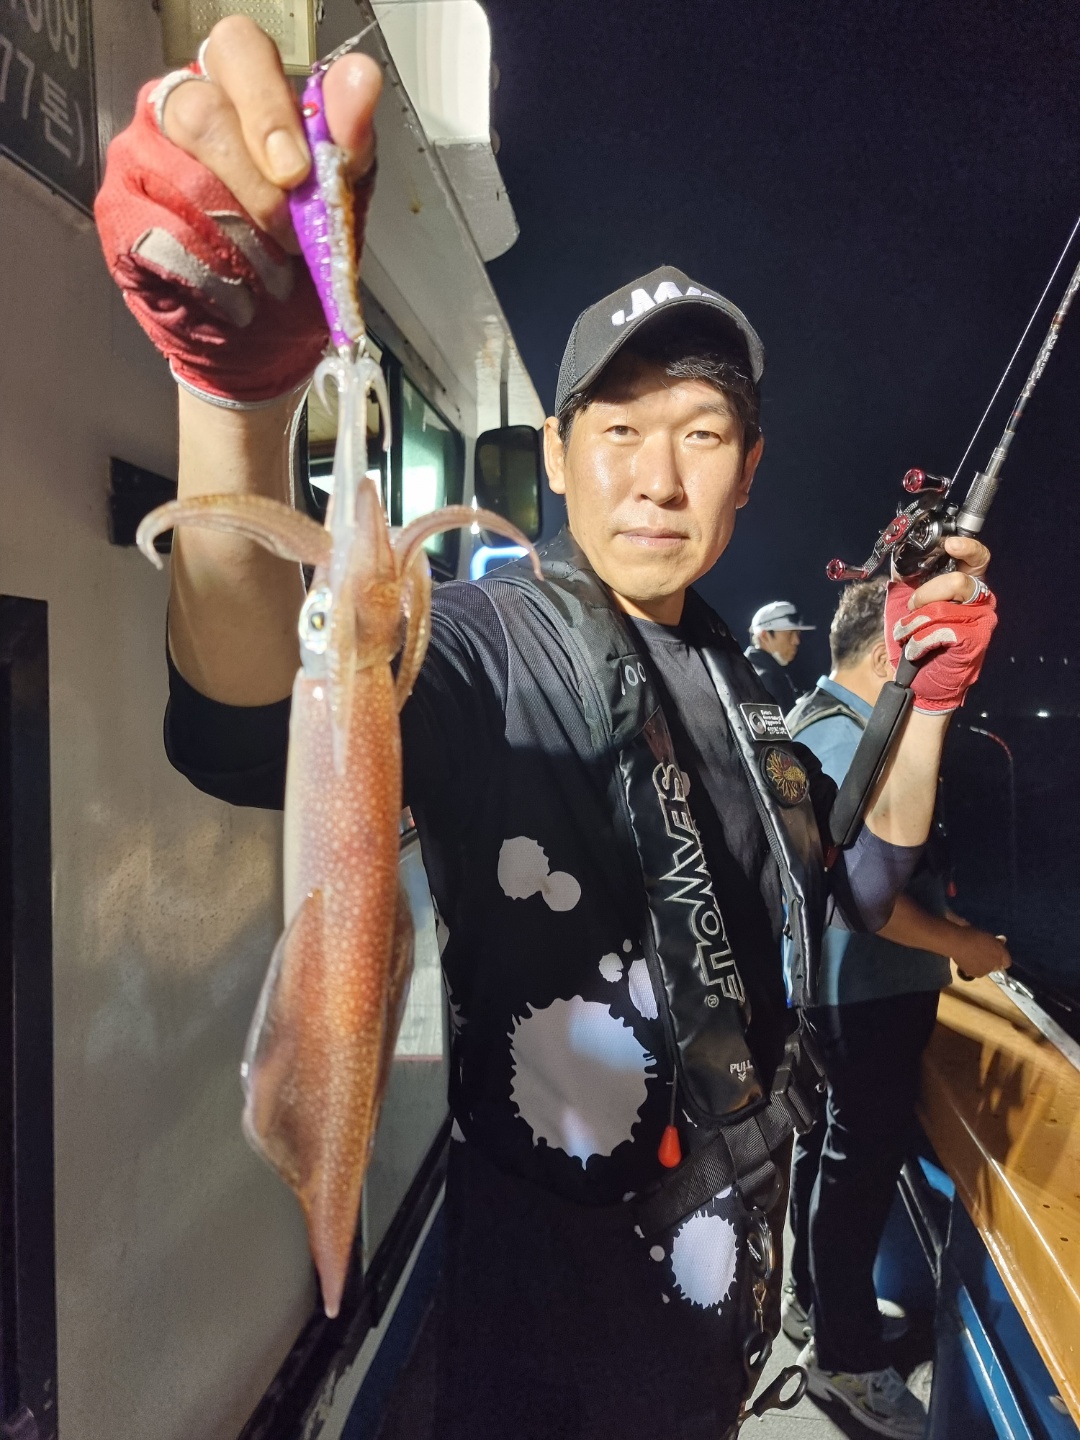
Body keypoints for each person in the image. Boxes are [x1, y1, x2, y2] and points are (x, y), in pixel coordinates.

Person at [92, 21, 999, 1438]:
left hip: (725, 1305)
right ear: (560, 459)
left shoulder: (745, 690)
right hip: (549, 1333)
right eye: (618, 429)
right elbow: (247, 717)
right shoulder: (485, 641)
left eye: (702, 433)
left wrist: (920, 699)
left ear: (750, 473)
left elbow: (865, 880)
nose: (658, 476)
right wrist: (232, 402)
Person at [784, 577, 1010, 1437]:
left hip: (834, 992)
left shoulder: (814, 720)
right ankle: (843, 1360)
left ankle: (815, 1306)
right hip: (866, 994)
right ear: (891, 655)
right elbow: (859, 898)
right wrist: (964, 944)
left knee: (826, 1149)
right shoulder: (852, 741)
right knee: (857, 1170)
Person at [745, 601, 814, 708]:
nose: (796, 641)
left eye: (798, 633)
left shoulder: (751, 669)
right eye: (790, 634)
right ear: (764, 636)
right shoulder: (765, 679)